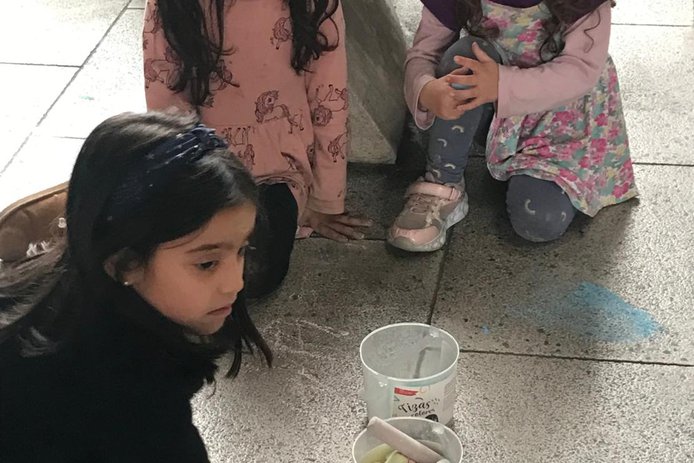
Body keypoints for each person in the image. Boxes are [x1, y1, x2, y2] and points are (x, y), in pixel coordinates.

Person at [0, 112, 271, 462]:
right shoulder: (139, 413)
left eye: (242, 250)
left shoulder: (52, 285)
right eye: (207, 263)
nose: (236, 282)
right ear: (124, 263)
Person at [143, 0, 372, 297]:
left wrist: (324, 201)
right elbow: (167, 107)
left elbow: (328, 99)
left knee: (256, 273)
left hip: (280, 171)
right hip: (205, 166)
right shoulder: (171, 6)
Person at [388, 0, 637, 251]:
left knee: (538, 221)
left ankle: (531, 174)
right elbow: (424, 54)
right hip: (500, 117)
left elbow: (580, 71)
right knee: (467, 54)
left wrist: (501, 83)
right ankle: (442, 182)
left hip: (564, 127)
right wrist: (426, 89)